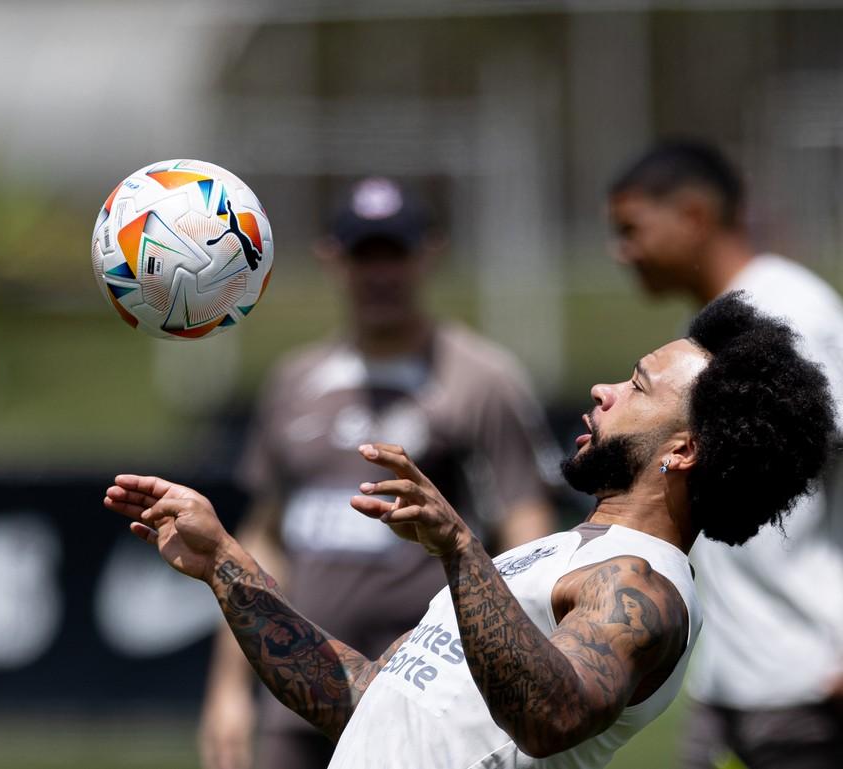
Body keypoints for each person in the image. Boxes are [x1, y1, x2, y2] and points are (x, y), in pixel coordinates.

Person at [105, 292, 834, 768]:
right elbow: (364, 699)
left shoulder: (642, 584)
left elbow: (550, 717)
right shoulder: (561, 553)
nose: (603, 390)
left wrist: (459, 548)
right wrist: (225, 565)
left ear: (684, 450)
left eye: (638, 386)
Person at [198, 176, 560, 769]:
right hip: (296, 686)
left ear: (429, 254)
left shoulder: (480, 379)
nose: (381, 273)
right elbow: (267, 535)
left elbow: (528, 527)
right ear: (331, 259)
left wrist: (525, 668)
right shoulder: (294, 381)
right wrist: (228, 691)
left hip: (430, 698)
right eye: (365, 254)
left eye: (395, 252)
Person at [608, 139, 843, 767]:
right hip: (735, 680)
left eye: (631, 229)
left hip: (808, 681)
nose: (620, 251)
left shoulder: (787, 313)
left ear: (692, 217)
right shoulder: (729, 319)